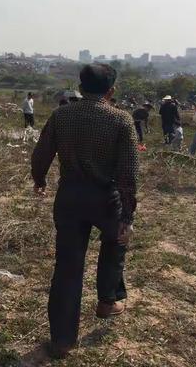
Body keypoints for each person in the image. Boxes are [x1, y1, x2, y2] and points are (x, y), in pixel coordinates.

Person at [31, 63, 139, 358]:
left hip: (70, 197)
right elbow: (128, 172)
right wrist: (127, 216)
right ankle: (107, 301)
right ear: (111, 91)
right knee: (114, 245)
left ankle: (62, 341)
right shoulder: (121, 120)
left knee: (67, 267)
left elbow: (42, 153)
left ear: (80, 87)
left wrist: (39, 179)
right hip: (107, 197)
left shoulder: (62, 115)